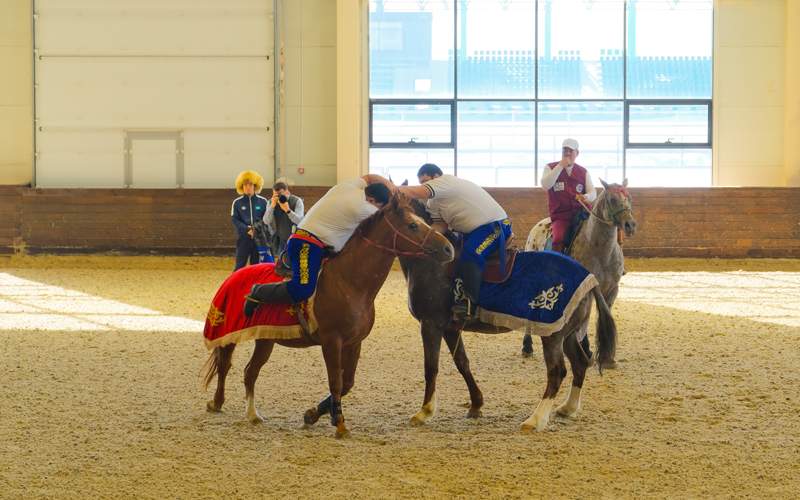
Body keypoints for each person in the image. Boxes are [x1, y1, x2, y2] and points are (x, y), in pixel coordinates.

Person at [244, 174, 394, 316]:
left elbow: (366, 178)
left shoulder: (347, 186)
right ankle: (258, 292)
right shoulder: (363, 208)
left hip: (309, 242)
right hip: (307, 245)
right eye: (378, 206)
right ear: (373, 201)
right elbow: (388, 219)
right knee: (302, 289)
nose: (377, 209)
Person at [399, 164, 510, 323]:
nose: (424, 185)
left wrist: (390, 189)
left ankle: (469, 303)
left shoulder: (447, 181)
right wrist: (426, 238)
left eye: (425, 181)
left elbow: (417, 192)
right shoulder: (432, 203)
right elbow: (441, 225)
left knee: (472, 253)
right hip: (470, 232)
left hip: (495, 226)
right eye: (421, 182)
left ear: (437, 176)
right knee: (454, 255)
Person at [540, 138, 597, 253]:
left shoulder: (583, 172)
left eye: (571, 151)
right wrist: (560, 166)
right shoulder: (550, 168)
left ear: (577, 153)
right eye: (565, 150)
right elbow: (546, 185)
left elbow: (593, 192)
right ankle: (557, 266)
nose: (567, 153)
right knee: (558, 238)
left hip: (582, 215)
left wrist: (586, 197)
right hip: (561, 216)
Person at [231, 170, 270, 271]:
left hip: (259, 237)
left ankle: (253, 286)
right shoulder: (237, 203)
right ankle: (236, 285)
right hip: (244, 237)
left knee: (255, 265)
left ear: (255, 186)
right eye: (245, 185)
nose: (247, 187)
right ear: (241, 186)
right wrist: (247, 229)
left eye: (250, 184)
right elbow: (235, 219)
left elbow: (266, 218)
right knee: (240, 265)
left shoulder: (263, 201)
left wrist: (256, 229)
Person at [264, 181, 304, 259]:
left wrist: (288, 210)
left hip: (295, 238)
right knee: (282, 265)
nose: (278, 196)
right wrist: (272, 206)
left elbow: (300, 222)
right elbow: (266, 221)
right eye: (276, 194)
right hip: (279, 240)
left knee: (295, 263)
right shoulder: (271, 202)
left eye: (280, 194)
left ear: (287, 191)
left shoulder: (296, 201)